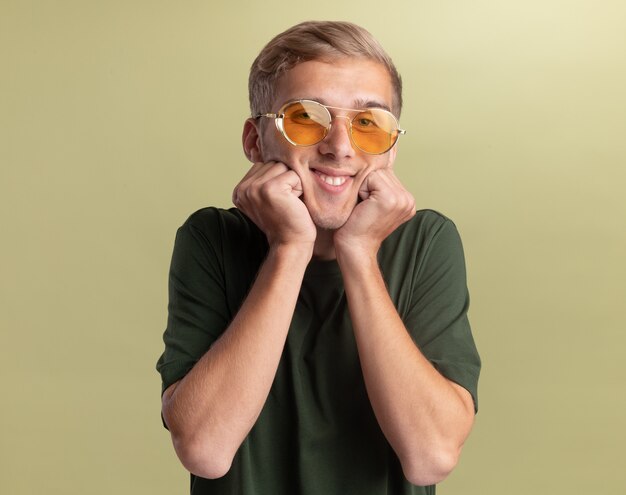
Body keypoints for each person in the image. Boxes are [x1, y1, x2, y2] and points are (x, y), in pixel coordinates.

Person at [156, 20, 481, 494]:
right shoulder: (212, 239)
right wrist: (290, 248)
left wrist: (359, 251)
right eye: (307, 118)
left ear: (390, 149)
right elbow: (205, 450)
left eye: (368, 124)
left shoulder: (427, 241)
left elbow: (429, 457)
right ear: (255, 141)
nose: (341, 147)